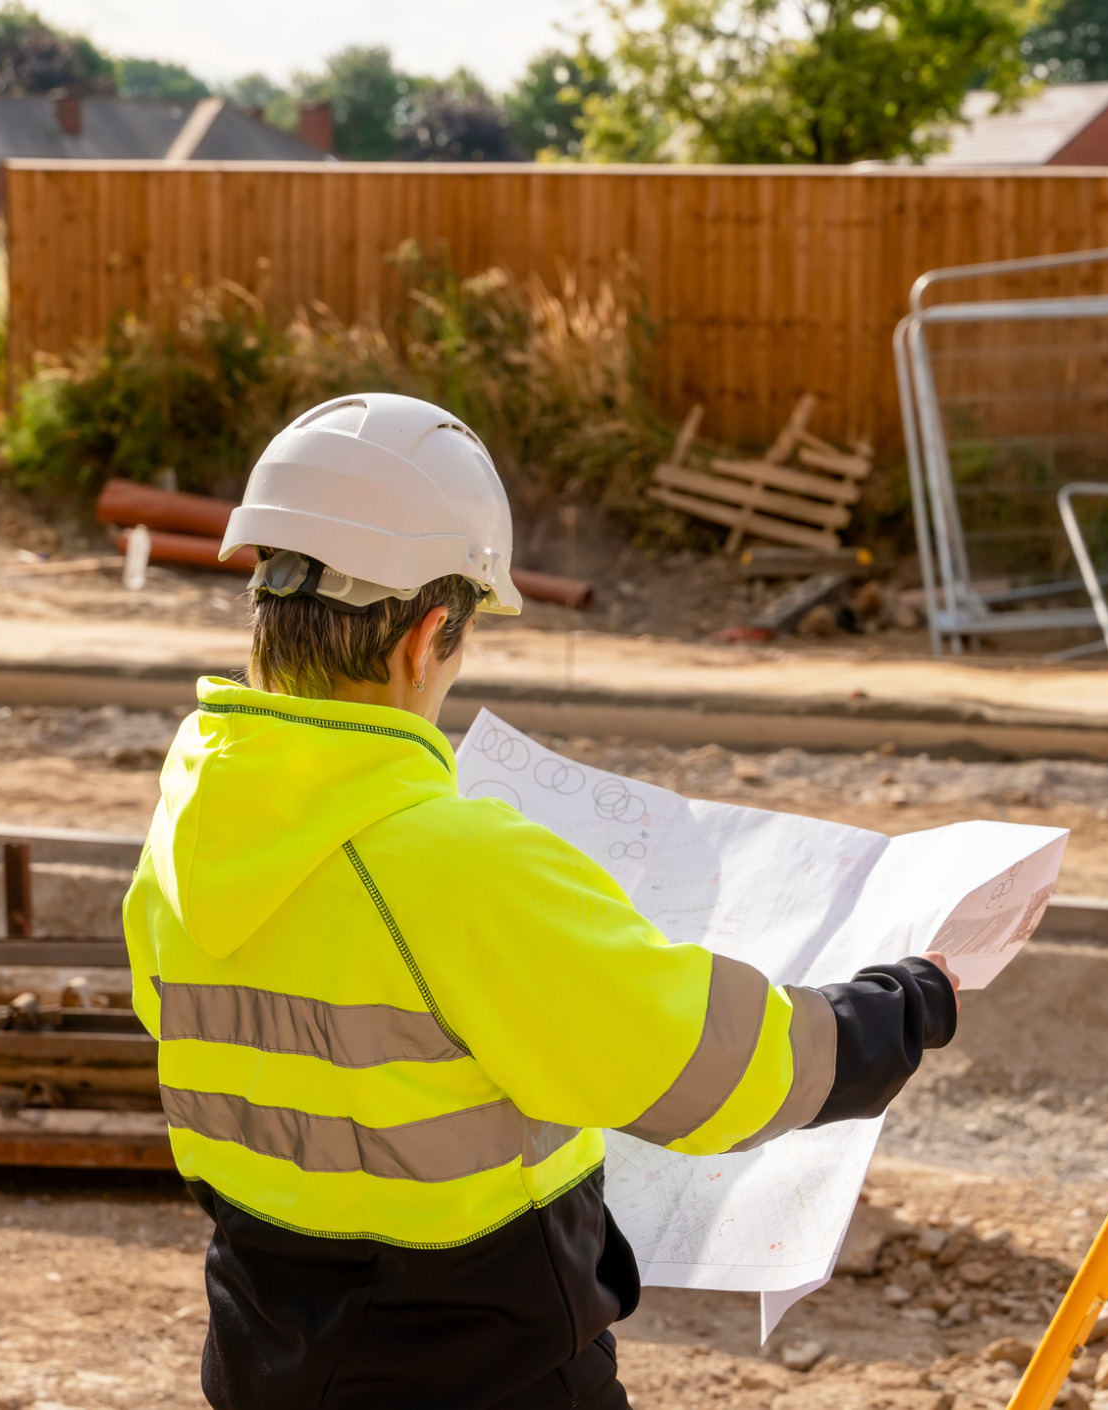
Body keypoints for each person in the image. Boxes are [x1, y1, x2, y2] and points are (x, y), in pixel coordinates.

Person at [123, 393, 963, 1410]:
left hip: (265, 1358)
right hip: (482, 1375)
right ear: (427, 635)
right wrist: (903, 1005)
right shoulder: (455, 863)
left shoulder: (186, 828)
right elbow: (709, 1070)